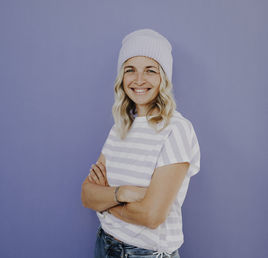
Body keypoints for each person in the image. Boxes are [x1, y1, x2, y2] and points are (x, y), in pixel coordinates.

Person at [81, 28, 201, 258]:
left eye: (150, 70)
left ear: (163, 77)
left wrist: (105, 201)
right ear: (121, 77)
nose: (138, 80)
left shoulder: (176, 130)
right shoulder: (120, 128)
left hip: (145, 254)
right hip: (105, 244)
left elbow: (151, 217)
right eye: (130, 70)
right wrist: (124, 192)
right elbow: (87, 195)